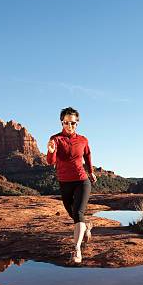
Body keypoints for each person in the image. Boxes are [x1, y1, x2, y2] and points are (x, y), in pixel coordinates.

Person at [46, 107, 97, 263]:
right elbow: (51, 162)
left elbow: (87, 155)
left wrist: (91, 172)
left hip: (82, 180)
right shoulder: (55, 139)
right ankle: (86, 227)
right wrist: (51, 151)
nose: (70, 126)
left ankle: (76, 250)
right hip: (64, 182)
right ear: (62, 122)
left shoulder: (83, 140)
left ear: (77, 123)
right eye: (66, 123)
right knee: (74, 215)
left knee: (78, 213)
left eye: (73, 123)